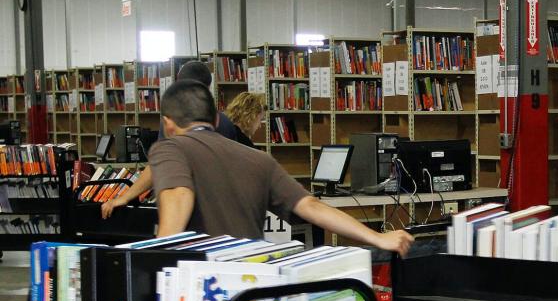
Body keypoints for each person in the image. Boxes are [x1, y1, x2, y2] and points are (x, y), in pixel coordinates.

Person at [149, 79, 412, 255]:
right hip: (251, 289)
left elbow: (178, 193)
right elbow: (311, 206)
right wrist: (378, 238)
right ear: (217, 119)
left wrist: (157, 259)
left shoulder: (169, 148)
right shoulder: (258, 158)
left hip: (199, 289)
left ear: (167, 124)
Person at [101, 61, 238, 218]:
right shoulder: (224, 122)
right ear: (208, 87)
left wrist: (124, 197)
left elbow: (156, 167)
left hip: (184, 210)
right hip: (224, 210)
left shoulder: (174, 122)